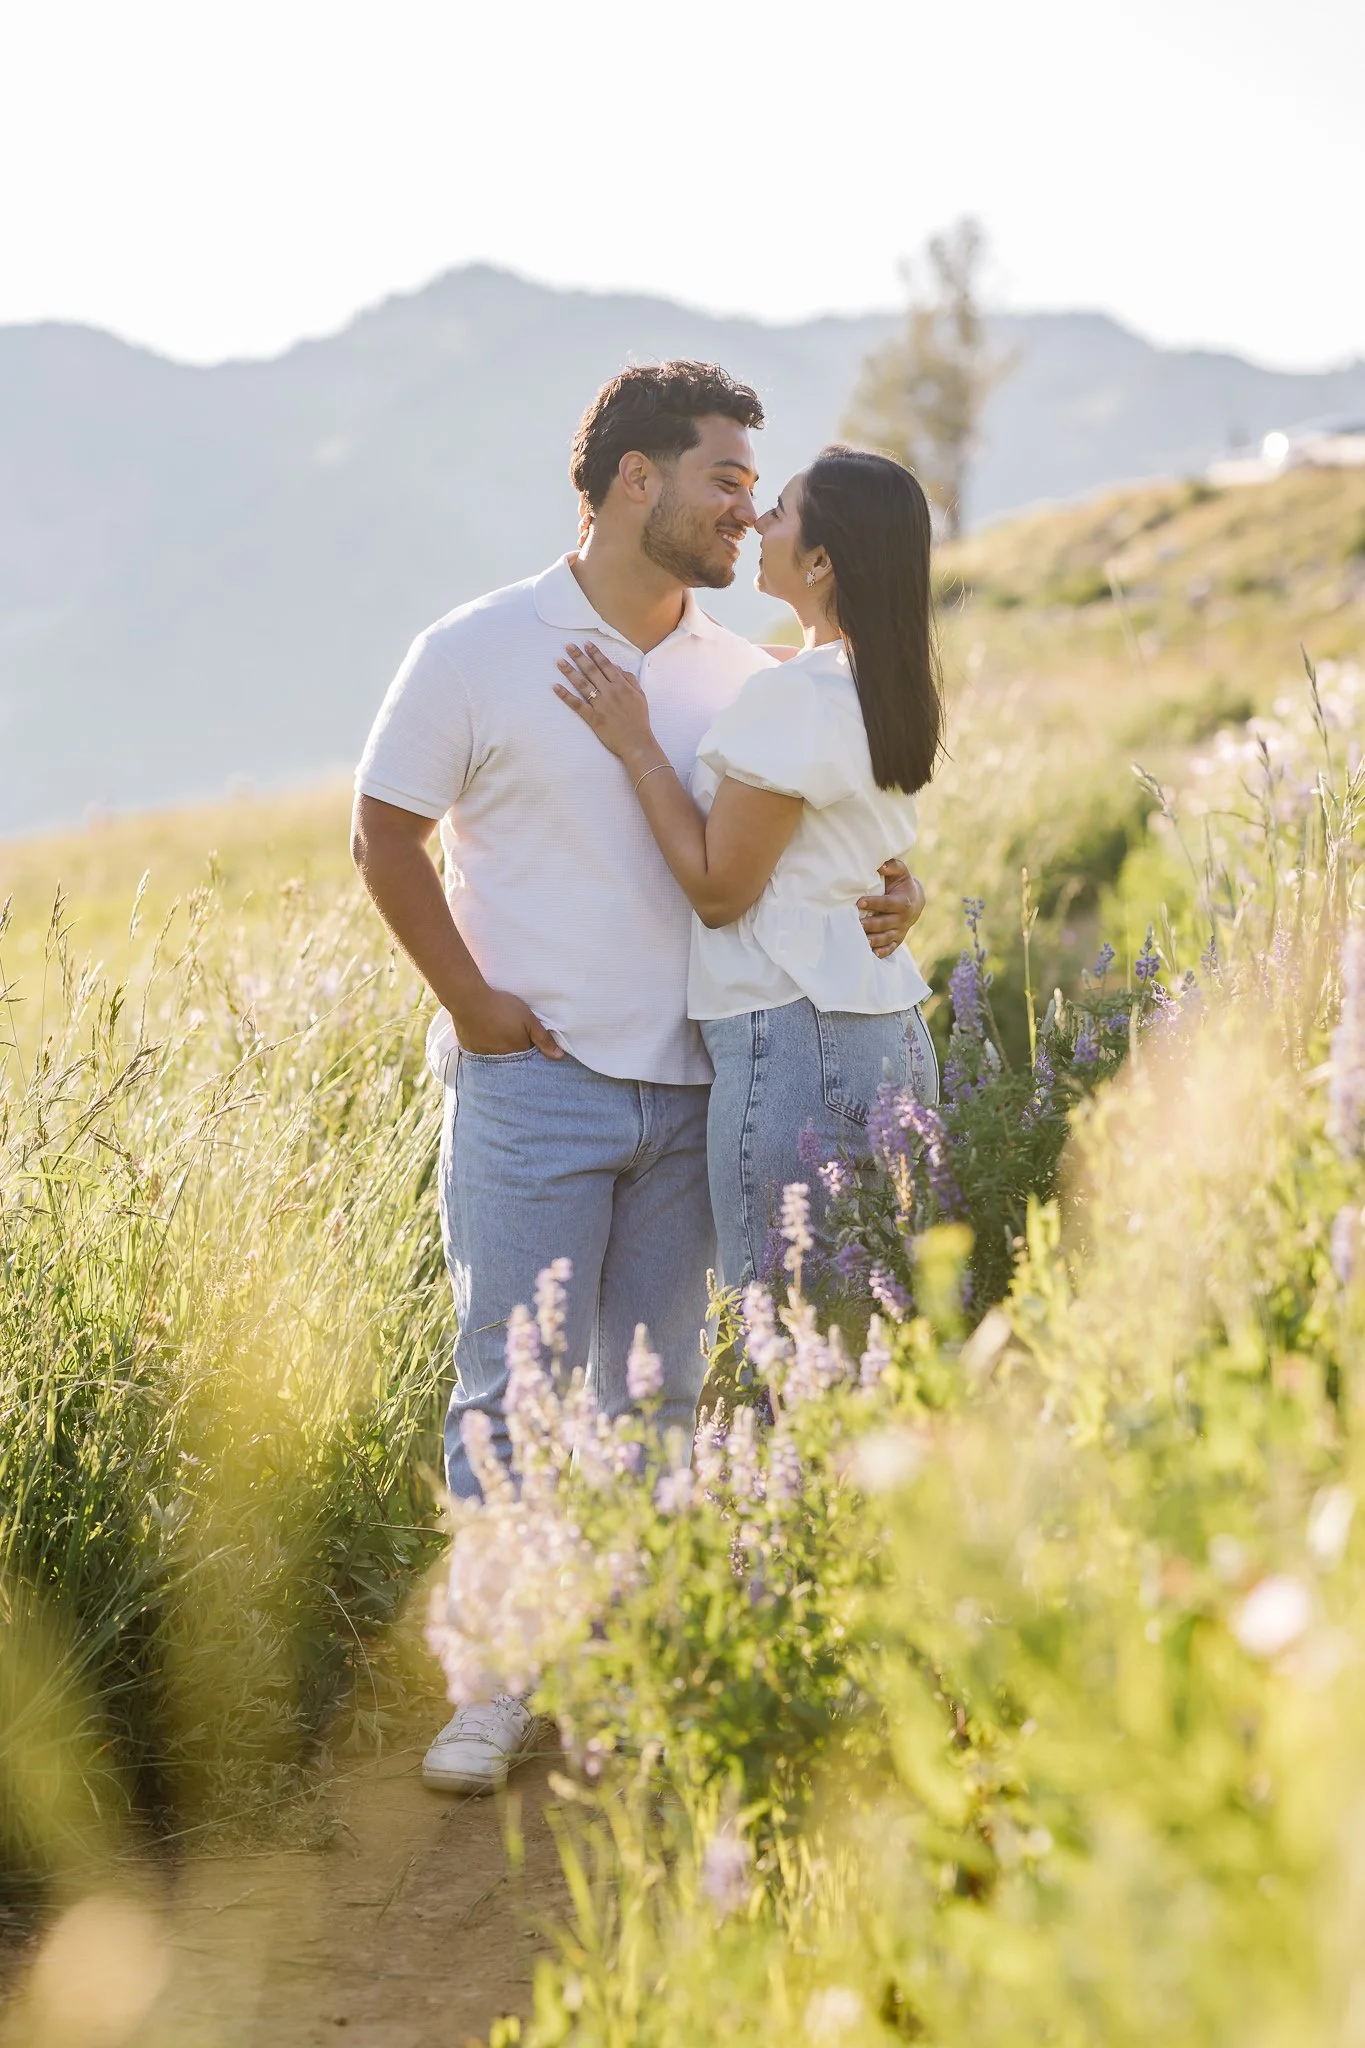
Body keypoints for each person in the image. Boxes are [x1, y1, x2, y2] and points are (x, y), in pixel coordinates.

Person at [350, 365, 925, 1794]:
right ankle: (494, 1686)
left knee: (654, 1400)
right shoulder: (477, 647)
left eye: (757, 488)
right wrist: (473, 1007)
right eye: (727, 477)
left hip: (700, 1089)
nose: (746, 507)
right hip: (531, 1085)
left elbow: (807, 838)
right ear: (633, 481)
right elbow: (382, 832)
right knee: (509, 1392)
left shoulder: (748, 674)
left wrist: (894, 891)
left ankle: (636, 1671)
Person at [554, 445, 943, 1290]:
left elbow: (718, 891)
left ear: (820, 560)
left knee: (776, 1331)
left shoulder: (793, 696)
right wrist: (905, 888)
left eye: (780, 512)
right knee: (880, 1332)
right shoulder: (877, 683)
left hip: (797, 1042)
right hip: (893, 1039)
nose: (757, 522)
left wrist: (635, 744)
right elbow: (854, 841)